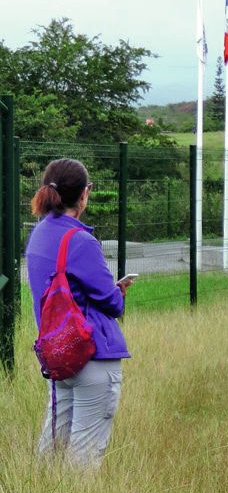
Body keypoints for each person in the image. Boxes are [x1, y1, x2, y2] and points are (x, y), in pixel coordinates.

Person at [26, 158, 132, 467]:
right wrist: (119, 291)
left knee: (52, 449)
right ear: (84, 194)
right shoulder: (81, 241)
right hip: (93, 356)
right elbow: (110, 302)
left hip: (58, 354)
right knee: (84, 456)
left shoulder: (39, 235)